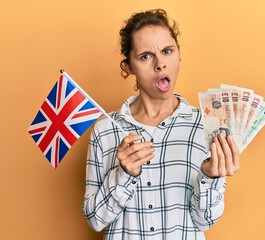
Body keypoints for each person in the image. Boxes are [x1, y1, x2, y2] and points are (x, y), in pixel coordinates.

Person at [83, 9, 240, 240]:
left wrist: (209, 177)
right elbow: (95, 219)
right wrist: (124, 174)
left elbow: (204, 221)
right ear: (128, 67)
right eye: (146, 56)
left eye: (167, 51)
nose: (160, 64)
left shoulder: (206, 125)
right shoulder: (105, 129)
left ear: (178, 55)